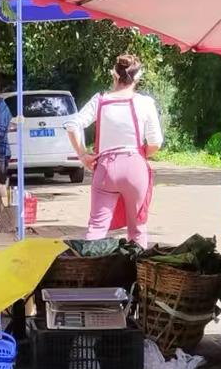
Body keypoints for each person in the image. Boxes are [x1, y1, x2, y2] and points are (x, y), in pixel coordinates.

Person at [64, 53, 164, 243]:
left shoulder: (100, 100)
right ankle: (136, 262)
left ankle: (92, 261)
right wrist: (140, 155)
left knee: (96, 228)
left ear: (114, 75)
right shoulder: (145, 103)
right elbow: (155, 142)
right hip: (135, 167)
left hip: (106, 168)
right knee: (137, 230)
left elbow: (72, 125)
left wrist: (83, 155)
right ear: (138, 78)